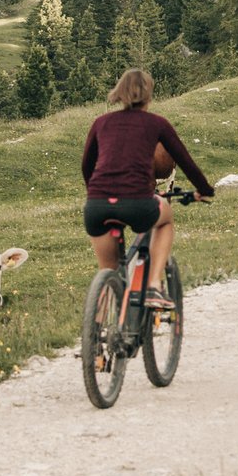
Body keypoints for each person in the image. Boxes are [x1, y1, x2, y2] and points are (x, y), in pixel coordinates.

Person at [81, 68, 213, 308]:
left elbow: (86, 165)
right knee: (166, 218)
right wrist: (204, 189)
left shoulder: (100, 122)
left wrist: (96, 195)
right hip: (138, 203)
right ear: (149, 95)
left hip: (97, 206)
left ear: (118, 93)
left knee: (108, 271)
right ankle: (153, 285)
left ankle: (99, 333)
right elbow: (185, 161)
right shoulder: (157, 123)